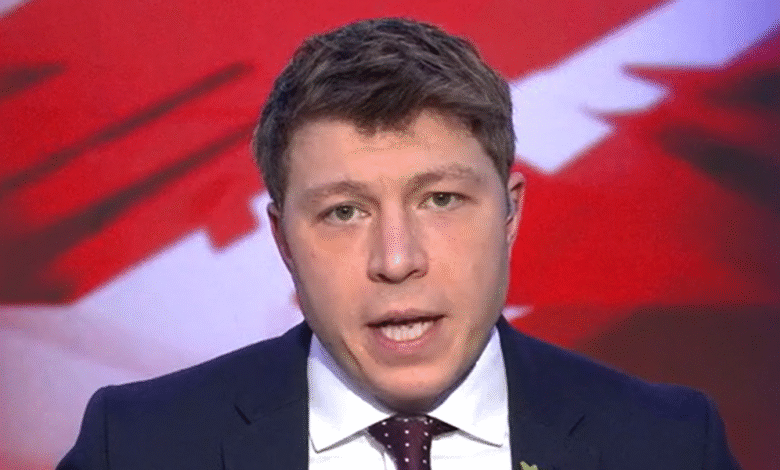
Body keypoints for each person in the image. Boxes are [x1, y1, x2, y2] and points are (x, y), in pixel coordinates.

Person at [58, 18, 741, 470]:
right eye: (344, 212)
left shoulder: (669, 445)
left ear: (510, 212)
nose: (396, 260)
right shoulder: (139, 446)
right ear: (283, 241)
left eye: (440, 200)